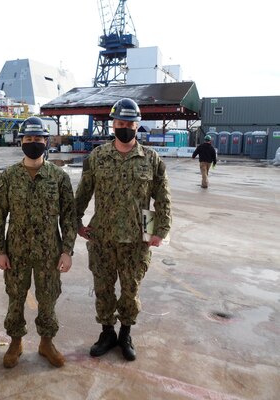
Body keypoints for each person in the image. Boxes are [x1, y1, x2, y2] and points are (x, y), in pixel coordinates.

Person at [75, 98, 171, 362]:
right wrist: (77, 223)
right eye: (119, 123)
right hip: (102, 236)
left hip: (137, 238)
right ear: (112, 124)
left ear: (137, 125)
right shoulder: (97, 157)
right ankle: (107, 333)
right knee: (104, 288)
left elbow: (162, 197)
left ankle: (125, 334)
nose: (124, 127)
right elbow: (83, 193)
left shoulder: (151, 159)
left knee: (131, 289)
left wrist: (159, 230)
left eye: (129, 123)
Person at [0, 116, 77, 368]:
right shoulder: (8, 177)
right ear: (21, 142)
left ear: (46, 141)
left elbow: (69, 217)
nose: (33, 142)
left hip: (49, 251)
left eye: (38, 138)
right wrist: (0, 250)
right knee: (15, 297)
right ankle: (15, 342)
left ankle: (46, 342)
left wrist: (67, 251)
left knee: (48, 298)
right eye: (28, 139)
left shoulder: (59, 177)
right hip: (16, 251)